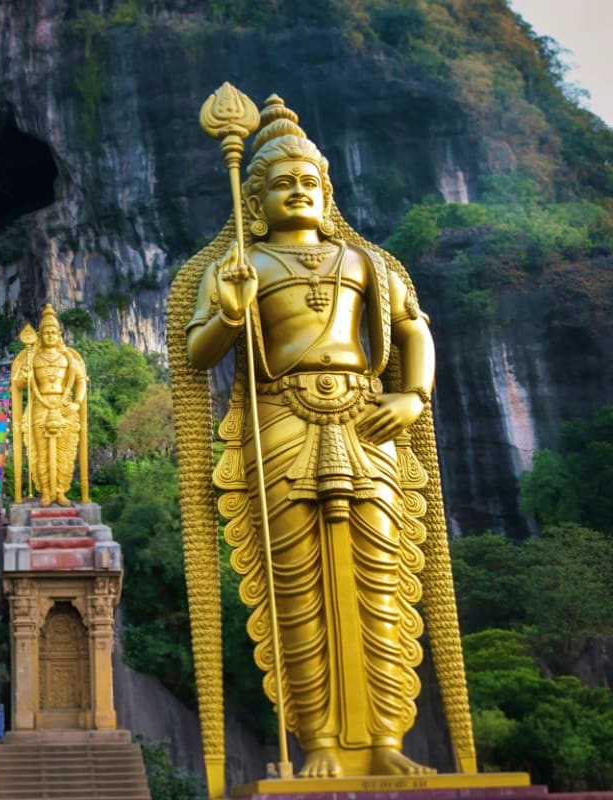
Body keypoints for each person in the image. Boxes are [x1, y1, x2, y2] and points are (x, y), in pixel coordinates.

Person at [180, 96, 451, 779]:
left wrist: (412, 394)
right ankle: (322, 741)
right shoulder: (240, 266)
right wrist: (231, 312)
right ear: (256, 198)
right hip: (281, 419)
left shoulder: (363, 263)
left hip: (367, 417)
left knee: (379, 580)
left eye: (309, 181)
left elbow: (413, 329)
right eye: (281, 184)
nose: (297, 191)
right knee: (295, 586)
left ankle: (384, 741)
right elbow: (198, 351)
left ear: (326, 191)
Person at [10, 305, 89, 506]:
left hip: (64, 407)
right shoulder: (33, 357)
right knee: (41, 451)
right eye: (46, 332)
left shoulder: (69, 358)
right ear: (39, 335)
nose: (50, 335)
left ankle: (61, 490)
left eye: (54, 332)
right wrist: (26, 373)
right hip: (40, 406)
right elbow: (18, 385)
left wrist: (77, 404)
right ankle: (46, 491)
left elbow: (81, 381)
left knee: (64, 451)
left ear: (60, 334)